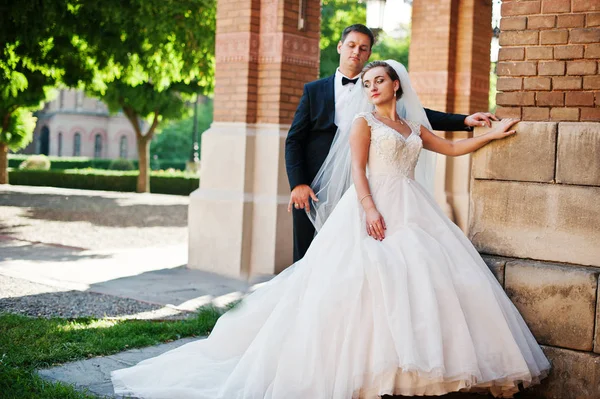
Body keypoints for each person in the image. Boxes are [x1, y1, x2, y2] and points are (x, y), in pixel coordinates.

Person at [111, 60, 549, 399]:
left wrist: (493, 135)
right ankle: (359, 375)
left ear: (396, 84)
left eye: (378, 80)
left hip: (414, 207)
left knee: (421, 282)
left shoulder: (413, 125)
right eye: (366, 83)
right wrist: (369, 210)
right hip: (371, 206)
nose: (371, 86)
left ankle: (411, 374)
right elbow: (358, 169)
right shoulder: (364, 123)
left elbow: (454, 150)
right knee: (362, 283)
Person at [286, 24, 498, 262]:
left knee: (358, 254)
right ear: (340, 47)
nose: (356, 51)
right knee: (309, 253)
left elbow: (420, 116)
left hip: (372, 183)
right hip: (318, 182)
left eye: (363, 48)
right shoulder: (314, 91)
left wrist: (465, 121)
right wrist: (299, 183)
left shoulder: (379, 89)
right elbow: (294, 139)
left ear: (369, 54)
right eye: (351, 45)